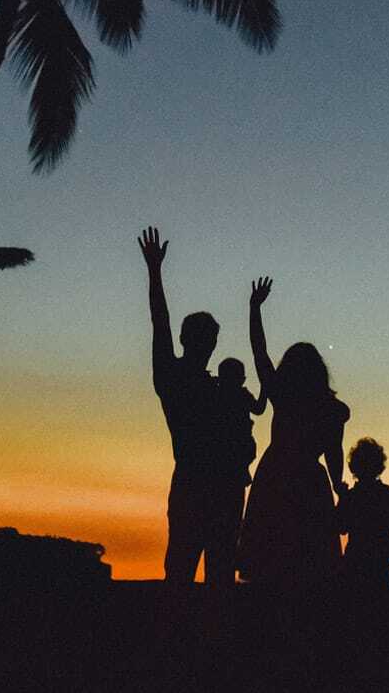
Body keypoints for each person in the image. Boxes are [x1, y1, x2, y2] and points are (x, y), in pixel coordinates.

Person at [138, 226, 244, 587]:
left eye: (211, 338)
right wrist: (155, 273)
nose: (209, 344)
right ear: (188, 339)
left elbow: (161, 324)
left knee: (204, 576)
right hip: (199, 486)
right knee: (190, 574)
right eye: (205, 337)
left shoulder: (208, 385)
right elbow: (160, 323)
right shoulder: (174, 377)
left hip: (214, 487)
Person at [236, 276, 351, 584]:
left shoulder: (283, 395)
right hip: (310, 481)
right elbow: (334, 451)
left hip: (276, 474)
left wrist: (254, 309)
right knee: (310, 565)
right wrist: (338, 483)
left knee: (269, 563)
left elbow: (259, 353)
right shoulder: (331, 409)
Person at [339, 438, 389, 594]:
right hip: (381, 555)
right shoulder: (388, 493)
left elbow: (341, 527)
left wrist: (342, 498)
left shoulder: (351, 497)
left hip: (356, 555)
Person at [217, 356, 267, 485]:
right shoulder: (241, 395)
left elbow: (258, 409)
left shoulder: (217, 394)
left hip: (237, 443)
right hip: (236, 442)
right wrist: (265, 388)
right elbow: (259, 409)